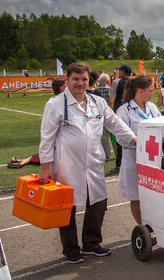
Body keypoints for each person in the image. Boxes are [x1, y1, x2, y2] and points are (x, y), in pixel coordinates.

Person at [39, 62, 136, 264]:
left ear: (88, 81)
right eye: (75, 79)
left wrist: (134, 139)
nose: (80, 83)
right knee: (67, 208)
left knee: (98, 203)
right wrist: (45, 166)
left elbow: (115, 124)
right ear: (67, 81)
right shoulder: (55, 105)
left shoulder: (97, 103)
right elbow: (47, 138)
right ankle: (71, 248)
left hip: (93, 163)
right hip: (66, 165)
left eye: (84, 79)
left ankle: (92, 244)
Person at [117, 76, 164, 225]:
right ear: (140, 91)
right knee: (136, 196)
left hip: (153, 158)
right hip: (133, 158)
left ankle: (154, 224)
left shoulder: (152, 107)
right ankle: (142, 226)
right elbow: (120, 136)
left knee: (153, 194)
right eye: (151, 90)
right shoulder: (124, 110)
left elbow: (162, 126)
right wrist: (136, 140)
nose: (152, 93)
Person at [9, 78, 66, 169]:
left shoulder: (61, 100)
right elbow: (48, 129)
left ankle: (18, 161)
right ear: (60, 88)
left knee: (38, 156)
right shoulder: (53, 103)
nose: (67, 88)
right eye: (65, 86)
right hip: (56, 142)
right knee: (40, 157)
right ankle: (20, 163)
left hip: (59, 142)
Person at [109, 64, 132, 173]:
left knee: (120, 138)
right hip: (132, 111)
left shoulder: (116, 82)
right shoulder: (133, 82)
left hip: (119, 111)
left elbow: (112, 99)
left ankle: (119, 164)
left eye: (120, 71)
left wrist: (110, 113)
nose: (118, 73)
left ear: (123, 72)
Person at [93, 74, 112, 161]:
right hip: (110, 113)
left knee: (104, 137)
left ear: (99, 81)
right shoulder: (110, 90)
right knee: (114, 136)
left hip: (100, 115)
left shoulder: (95, 90)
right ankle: (117, 153)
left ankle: (107, 155)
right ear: (108, 81)